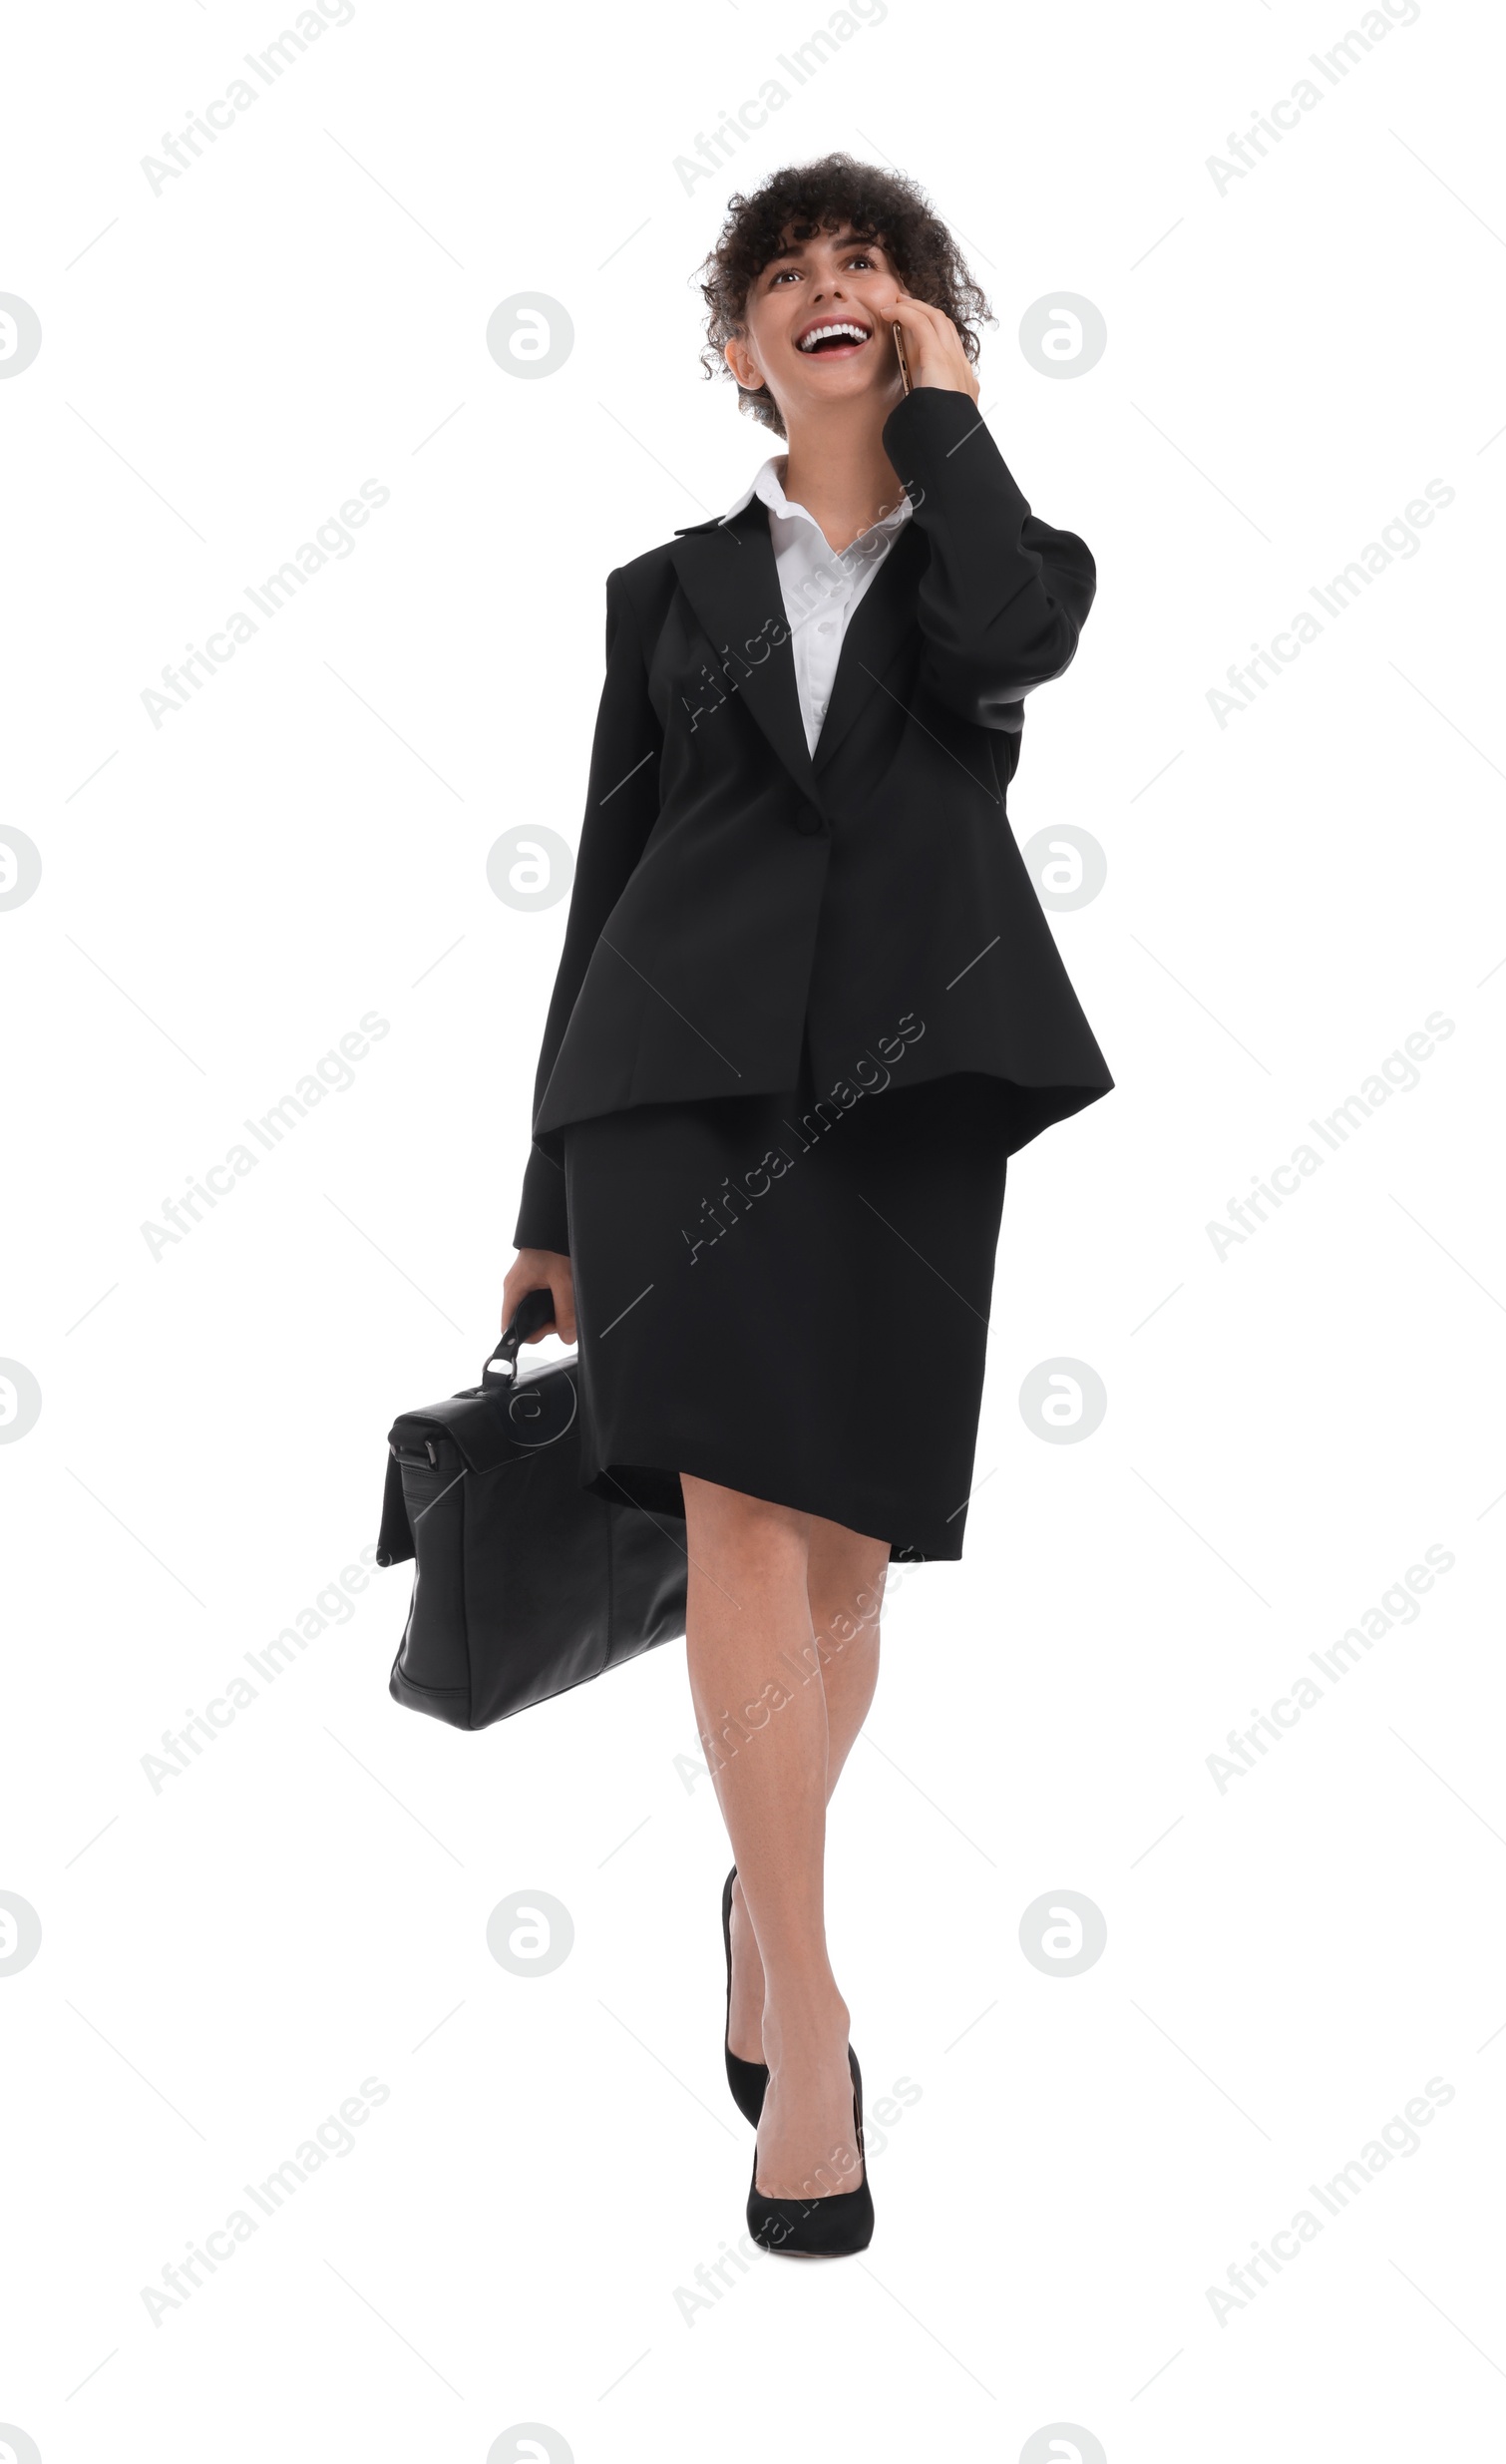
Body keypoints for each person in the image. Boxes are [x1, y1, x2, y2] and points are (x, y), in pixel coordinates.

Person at [501, 154, 1112, 2256]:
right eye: (785, 274)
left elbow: (1008, 633)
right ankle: (819, 2022)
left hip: (906, 1090)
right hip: (663, 1098)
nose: (823, 289)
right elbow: (602, 882)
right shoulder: (662, 593)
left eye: (864, 269)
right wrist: (537, 1192)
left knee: (846, 1559)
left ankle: (761, 1906)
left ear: (920, 321)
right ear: (741, 342)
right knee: (735, 1524)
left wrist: (943, 420)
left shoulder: (999, 560)